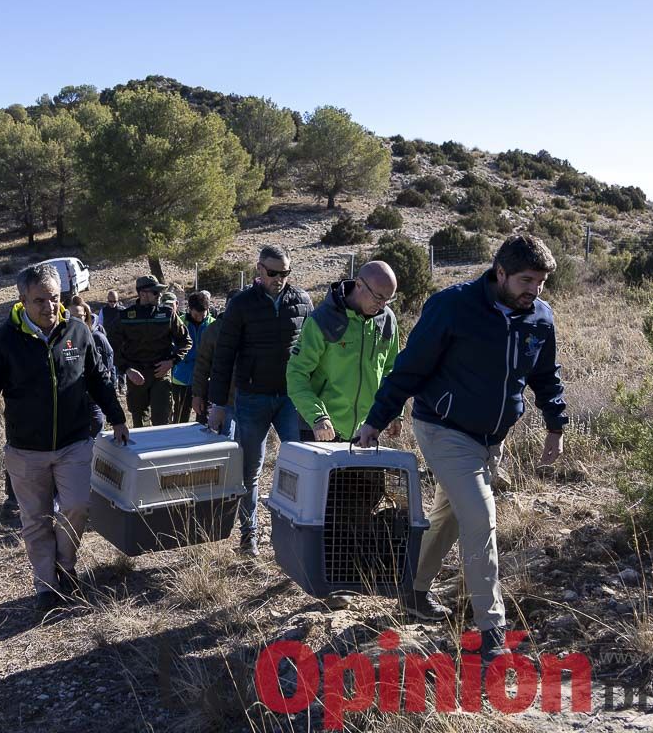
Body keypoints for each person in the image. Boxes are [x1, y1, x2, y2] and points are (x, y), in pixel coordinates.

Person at [356, 234, 568, 664]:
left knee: (450, 516)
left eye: (542, 282)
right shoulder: (453, 306)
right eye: (527, 280)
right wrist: (377, 420)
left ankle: (413, 591)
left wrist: (555, 426)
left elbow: (546, 375)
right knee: (480, 517)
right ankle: (492, 630)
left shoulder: (540, 318)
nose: (535, 290)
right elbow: (409, 367)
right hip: (443, 428)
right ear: (501, 272)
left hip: (491, 440)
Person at [0, 263, 129, 621]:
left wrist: (117, 416)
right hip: (26, 450)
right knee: (36, 519)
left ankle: (66, 566)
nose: (48, 307)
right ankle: (46, 585)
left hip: (74, 442)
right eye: (39, 300)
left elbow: (98, 379)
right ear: (22, 299)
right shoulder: (5, 340)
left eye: (54, 299)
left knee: (76, 506)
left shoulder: (77, 331)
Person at [208, 245, 313, 556]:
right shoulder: (241, 305)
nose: (278, 278)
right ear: (259, 269)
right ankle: (248, 535)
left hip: (291, 399)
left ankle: (297, 533)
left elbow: (312, 352)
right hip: (252, 398)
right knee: (250, 470)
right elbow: (223, 355)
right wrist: (216, 405)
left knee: (300, 465)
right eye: (272, 272)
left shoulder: (302, 301)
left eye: (285, 273)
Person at [287, 261, 401, 444]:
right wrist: (317, 416)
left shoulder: (387, 320)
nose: (383, 305)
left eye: (388, 299)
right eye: (378, 297)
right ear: (359, 284)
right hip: (321, 430)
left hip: (365, 431)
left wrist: (394, 410)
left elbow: (392, 371)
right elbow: (296, 374)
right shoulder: (322, 320)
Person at [106, 275, 192, 428]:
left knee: (162, 423)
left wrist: (171, 362)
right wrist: (126, 369)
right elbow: (111, 346)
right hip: (136, 376)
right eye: (155, 292)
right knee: (140, 424)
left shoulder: (167, 314)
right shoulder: (126, 317)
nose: (159, 295)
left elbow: (186, 341)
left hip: (160, 374)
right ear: (143, 294)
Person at [192, 289, 240, 438]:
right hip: (223, 398)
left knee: (246, 443)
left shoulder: (253, 329)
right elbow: (202, 365)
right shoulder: (213, 331)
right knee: (224, 440)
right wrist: (198, 394)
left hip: (249, 397)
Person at [68, 296, 115, 438]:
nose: (76, 321)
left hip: (93, 399)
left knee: (96, 433)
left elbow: (107, 366)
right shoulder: (64, 340)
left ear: (86, 316)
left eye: (80, 316)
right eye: (72, 317)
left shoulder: (97, 338)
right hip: (72, 401)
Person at [172, 290, 213, 424]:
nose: (200, 318)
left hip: (205, 378)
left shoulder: (214, 325)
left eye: (203, 314)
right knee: (180, 416)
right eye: (196, 315)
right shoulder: (179, 323)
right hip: (182, 377)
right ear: (190, 309)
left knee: (203, 416)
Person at [95, 289, 126, 390]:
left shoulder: (123, 311)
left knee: (122, 364)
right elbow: (99, 325)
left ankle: (122, 385)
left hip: (121, 342)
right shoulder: (103, 311)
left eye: (115, 301)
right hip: (108, 342)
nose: (112, 304)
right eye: (110, 301)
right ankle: (113, 385)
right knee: (111, 365)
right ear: (107, 300)